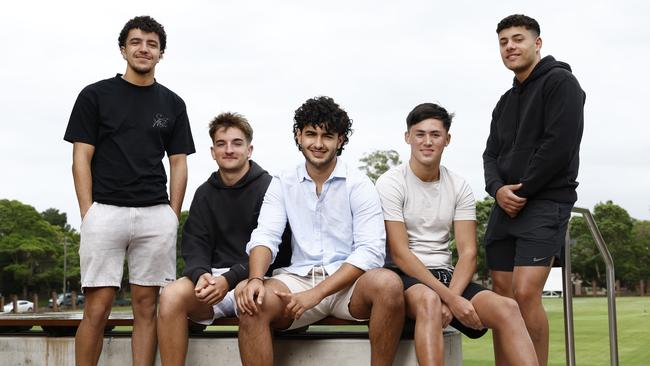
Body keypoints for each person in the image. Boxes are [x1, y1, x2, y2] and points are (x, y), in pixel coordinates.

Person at [63, 16, 195, 366]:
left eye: (152, 44)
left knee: (146, 307)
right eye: (136, 42)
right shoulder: (94, 95)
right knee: (97, 307)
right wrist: (87, 213)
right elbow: (81, 157)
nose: (143, 49)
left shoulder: (173, 103)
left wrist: (171, 213)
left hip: (155, 214)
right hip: (104, 212)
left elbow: (179, 162)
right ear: (123, 48)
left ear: (161, 54)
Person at [236, 96, 405, 366]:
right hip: (297, 280)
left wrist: (317, 294)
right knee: (251, 298)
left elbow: (370, 251)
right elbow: (266, 236)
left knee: (389, 284)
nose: (318, 143)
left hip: (348, 285)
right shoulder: (282, 181)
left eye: (327, 136)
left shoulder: (359, 184)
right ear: (298, 136)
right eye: (311, 134)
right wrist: (256, 278)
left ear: (340, 140)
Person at [377, 103, 538, 366]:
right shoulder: (390, 183)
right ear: (408, 137)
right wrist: (451, 299)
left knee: (508, 308)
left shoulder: (459, 185)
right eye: (420, 134)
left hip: (448, 277)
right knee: (429, 301)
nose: (427, 142)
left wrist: (452, 297)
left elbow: (468, 253)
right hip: (404, 277)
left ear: (447, 139)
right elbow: (400, 253)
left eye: (435, 135)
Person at [483, 14, 585, 366]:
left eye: (518, 39)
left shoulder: (562, 84)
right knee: (501, 296)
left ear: (537, 43)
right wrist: (497, 190)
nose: (510, 46)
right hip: (504, 206)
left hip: (544, 202)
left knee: (526, 293)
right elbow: (491, 154)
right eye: (503, 42)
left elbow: (558, 146)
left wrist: (521, 191)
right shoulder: (504, 102)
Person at [157, 112, 290, 365]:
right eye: (221, 144)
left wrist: (229, 279)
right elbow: (195, 242)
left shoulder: (271, 188)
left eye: (237, 143)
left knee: (249, 296)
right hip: (213, 282)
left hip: (257, 278)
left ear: (249, 149)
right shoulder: (204, 193)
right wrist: (201, 275)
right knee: (171, 295)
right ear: (212, 151)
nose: (229, 150)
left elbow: (278, 251)